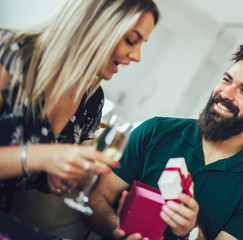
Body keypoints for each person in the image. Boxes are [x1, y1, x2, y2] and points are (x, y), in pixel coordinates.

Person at [84, 43, 243, 240]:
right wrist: (117, 229)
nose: (226, 93)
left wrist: (190, 233)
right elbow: (98, 197)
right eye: (227, 79)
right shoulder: (155, 130)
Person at [0, 0, 160, 238]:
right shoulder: (12, 53)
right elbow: (40, 158)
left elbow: (46, 183)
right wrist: (41, 156)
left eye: (141, 45)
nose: (137, 56)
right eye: (131, 40)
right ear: (96, 25)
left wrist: (59, 178)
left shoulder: (92, 100)